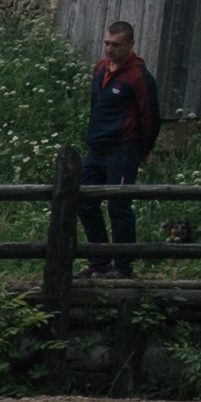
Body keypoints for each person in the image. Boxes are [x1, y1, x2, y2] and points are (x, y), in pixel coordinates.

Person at [79, 19, 162, 276]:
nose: (109, 49)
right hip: (97, 147)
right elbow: (96, 107)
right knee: (83, 201)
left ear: (130, 44)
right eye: (107, 43)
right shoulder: (100, 69)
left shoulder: (138, 76)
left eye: (116, 44)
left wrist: (144, 149)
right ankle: (99, 259)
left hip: (123, 148)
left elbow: (150, 116)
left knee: (118, 206)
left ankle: (123, 267)